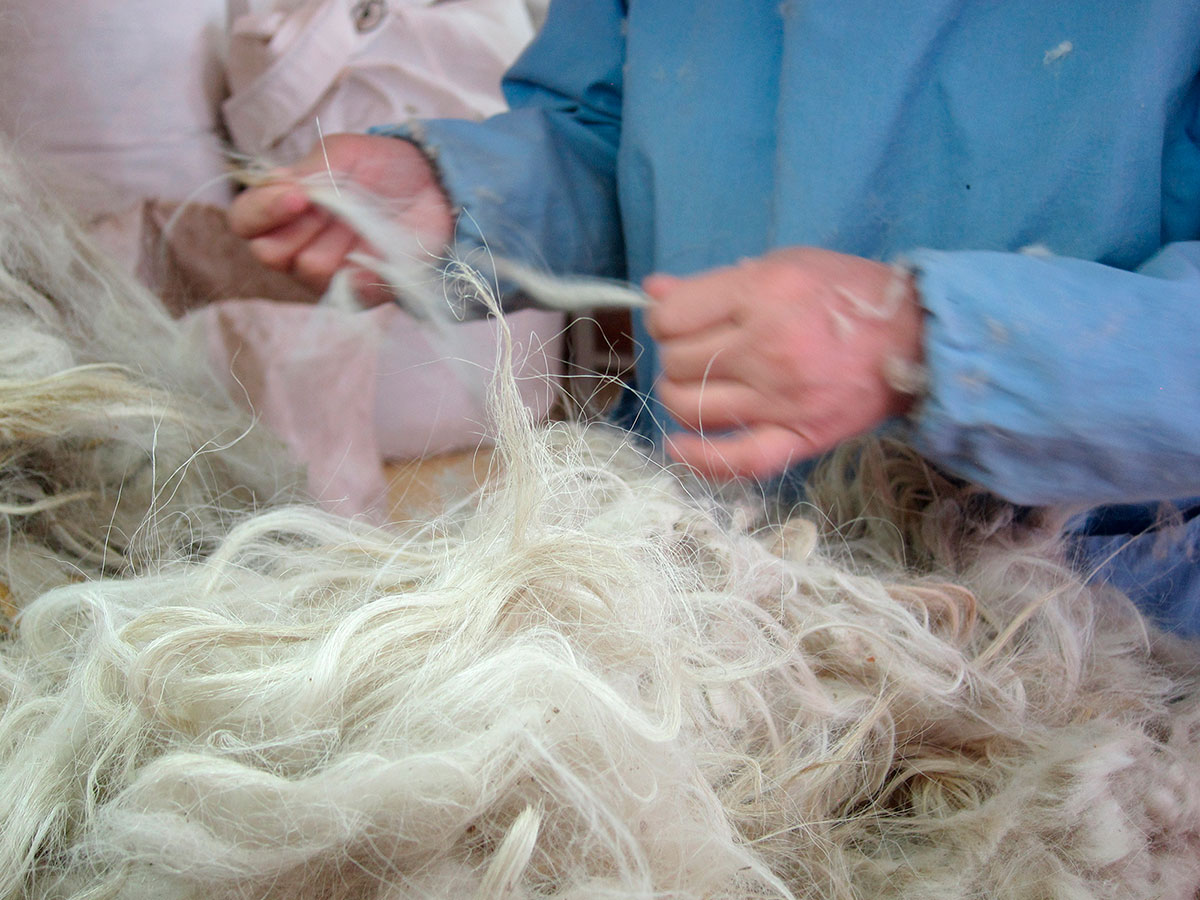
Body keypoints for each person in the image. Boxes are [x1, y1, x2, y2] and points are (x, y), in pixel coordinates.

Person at [230, 0, 1200, 633]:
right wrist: (466, 195)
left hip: (1087, 634)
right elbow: (622, 136)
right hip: (710, 577)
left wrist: (934, 341)